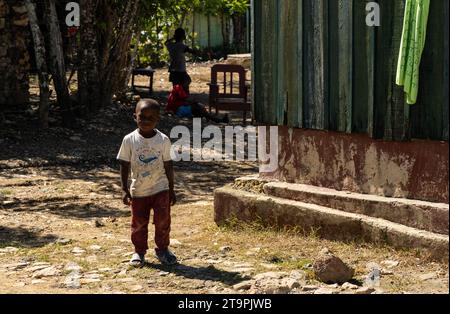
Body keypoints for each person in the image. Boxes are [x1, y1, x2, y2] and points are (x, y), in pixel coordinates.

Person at [117, 99, 177, 267]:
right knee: (138, 223)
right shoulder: (129, 140)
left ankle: (163, 249)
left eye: (151, 118)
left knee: (163, 221)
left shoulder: (163, 140)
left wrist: (171, 189)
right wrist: (124, 188)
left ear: (158, 119)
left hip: (161, 188)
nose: (145, 121)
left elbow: (168, 165)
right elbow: (124, 163)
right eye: (142, 117)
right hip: (139, 191)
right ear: (135, 117)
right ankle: (139, 251)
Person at [165, 28, 196, 93]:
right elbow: (192, 51)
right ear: (183, 37)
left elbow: (166, 42)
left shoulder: (171, 45)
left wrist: (173, 38)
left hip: (173, 70)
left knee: (175, 88)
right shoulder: (182, 46)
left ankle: (176, 101)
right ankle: (183, 101)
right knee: (186, 85)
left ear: (175, 36)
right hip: (181, 70)